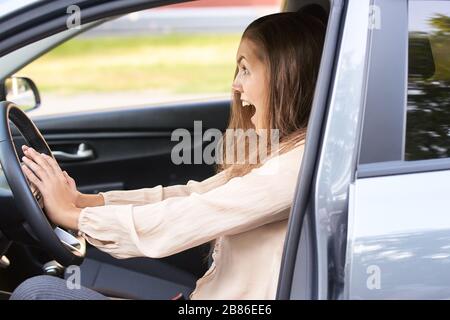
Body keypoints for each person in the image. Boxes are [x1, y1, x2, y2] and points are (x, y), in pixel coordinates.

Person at [11, 11, 326, 300]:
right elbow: (191, 195)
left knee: (37, 294)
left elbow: (191, 215)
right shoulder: (279, 152)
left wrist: (73, 217)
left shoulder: (296, 166)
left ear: (287, 78)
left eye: (246, 69)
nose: (235, 84)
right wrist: (86, 202)